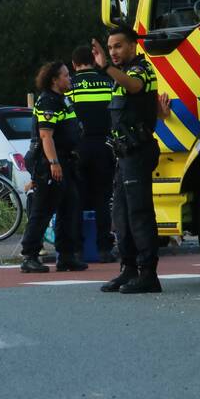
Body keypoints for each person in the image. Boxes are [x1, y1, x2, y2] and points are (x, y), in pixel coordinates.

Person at [91, 27, 161, 294]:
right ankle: (129, 269)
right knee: (120, 214)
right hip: (124, 154)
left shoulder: (142, 69)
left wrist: (106, 67)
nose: (113, 52)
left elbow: (134, 86)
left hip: (138, 152)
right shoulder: (119, 74)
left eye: (118, 46)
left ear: (133, 46)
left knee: (139, 213)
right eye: (110, 48)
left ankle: (148, 274)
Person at [20, 62, 87, 274]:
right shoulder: (48, 101)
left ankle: (66, 256)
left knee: (69, 208)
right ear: (54, 80)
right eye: (66, 75)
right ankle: (29, 256)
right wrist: (53, 163)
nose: (70, 78)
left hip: (66, 161)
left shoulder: (62, 99)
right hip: (49, 163)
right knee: (42, 210)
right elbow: (45, 136)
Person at [68, 45, 116, 263]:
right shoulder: (108, 82)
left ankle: (77, 250)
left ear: (74, 64)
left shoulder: (70, 86)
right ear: (93, 61)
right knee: (102, 199)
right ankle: (104, 248)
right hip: (104, 145)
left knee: (76, 199)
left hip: (78, 147)